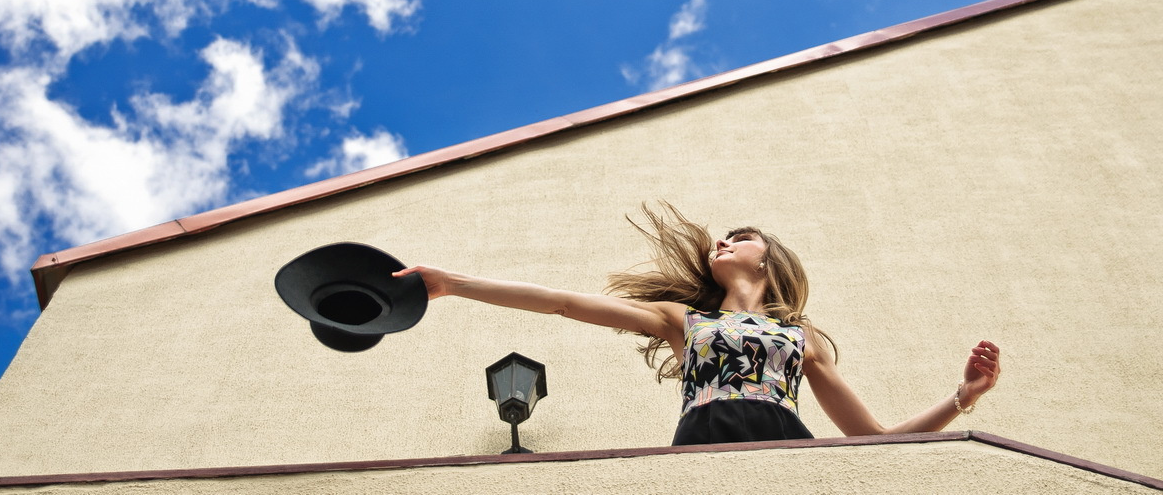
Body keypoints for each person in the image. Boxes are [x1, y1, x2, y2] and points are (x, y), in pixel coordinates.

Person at [393, 202, 1001, 445]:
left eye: (739, 238)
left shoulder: (802, 339)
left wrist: (962, 397)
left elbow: (873, 439)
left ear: (768, 258)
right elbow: (561, 301)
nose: (723, 242)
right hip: (701, 440)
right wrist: (454, 283)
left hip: (787, 448)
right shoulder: (682, 320)